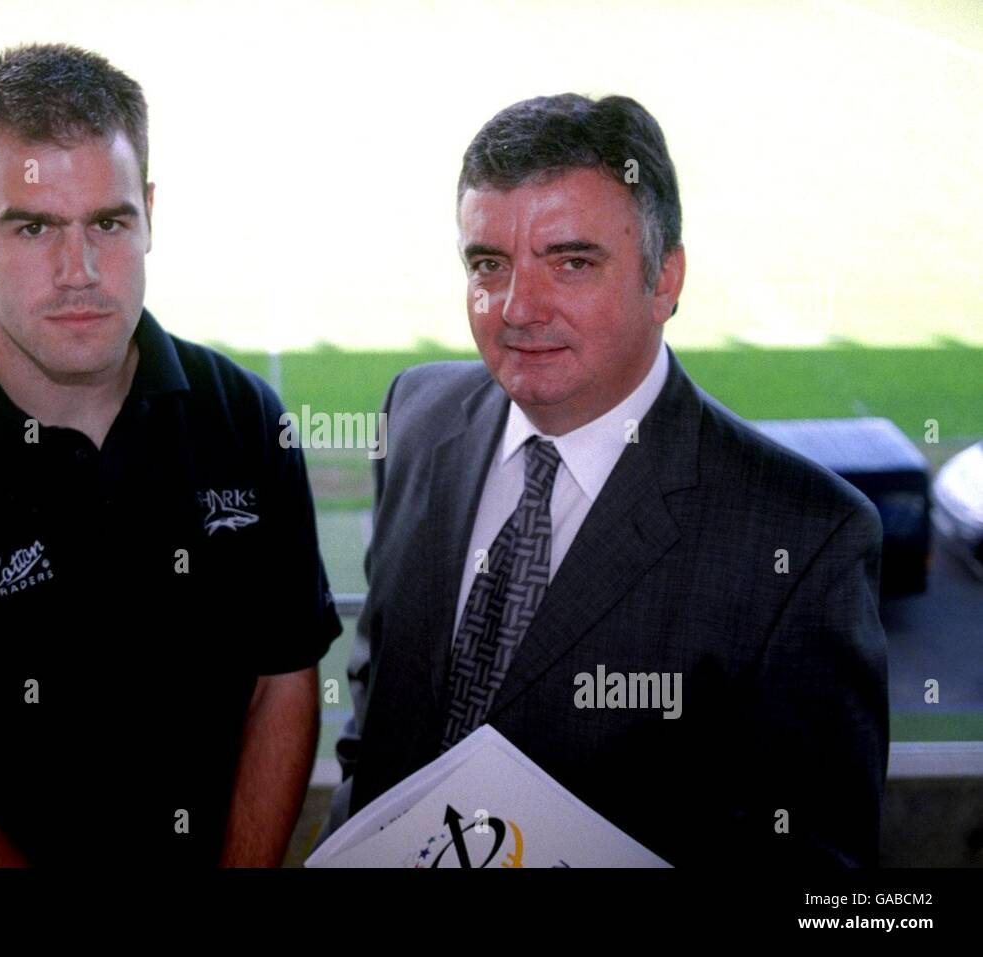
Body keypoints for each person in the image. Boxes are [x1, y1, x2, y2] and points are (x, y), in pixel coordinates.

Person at [0, 42, 340, 868]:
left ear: (150, 211)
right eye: (35, 225)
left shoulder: (244, 420)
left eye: (109, 223)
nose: (79, 270)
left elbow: (282, 674)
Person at [324, 94, 888, 867]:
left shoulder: (805, 539)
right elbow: (377, 722)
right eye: (488, 264)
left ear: (665, 279)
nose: (517, 307)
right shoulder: (417, 418)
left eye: (572, 262)